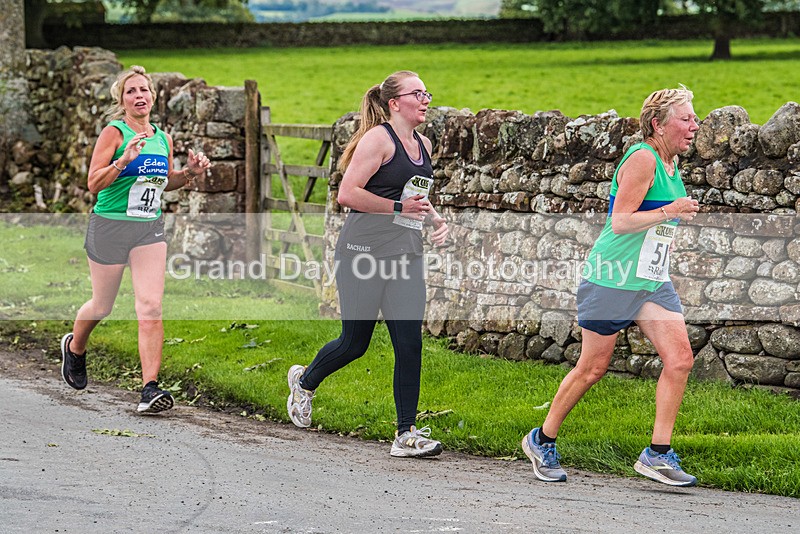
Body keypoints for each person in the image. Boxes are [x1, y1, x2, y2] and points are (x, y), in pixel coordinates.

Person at [522, 87, 701, 486]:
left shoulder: (670, 163)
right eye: (686, 118)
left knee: (679, 359)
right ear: (658, 124)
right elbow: (620, 222)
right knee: (592, 368)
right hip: (611, 279)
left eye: (694, 118)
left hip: (650, 280)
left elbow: (652, 221)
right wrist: (671, 211)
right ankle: (541, 439)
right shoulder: (642, 158)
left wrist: (667, 227)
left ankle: (657, 454)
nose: (694, 126)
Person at [286, 70, 449, 458]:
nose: (426, 100)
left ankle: (406, 433)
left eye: (427, 93)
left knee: (409, 343)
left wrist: (434, 218)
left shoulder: (423, 144)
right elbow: (347, 194)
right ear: (395, 103)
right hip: (362, 253)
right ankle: (304, 382)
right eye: (417, 93)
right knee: (354, 343)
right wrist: (398, 208)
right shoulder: (378, 139)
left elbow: (412, 197)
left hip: (405, 253)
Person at [60, 65, 210, 413]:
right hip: (109, 226)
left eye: (144, 90)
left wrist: (189, 173)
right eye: (131, 91)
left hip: (147, 228)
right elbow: (93, 184)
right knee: (102, 306)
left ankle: (149, 389)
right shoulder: (114, 133)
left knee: (151, 306)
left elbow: (165, 181)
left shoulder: (162, 138)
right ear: (122, 100)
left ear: (153, 97)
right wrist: (122, 161)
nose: (138, 95)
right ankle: (75, 348)